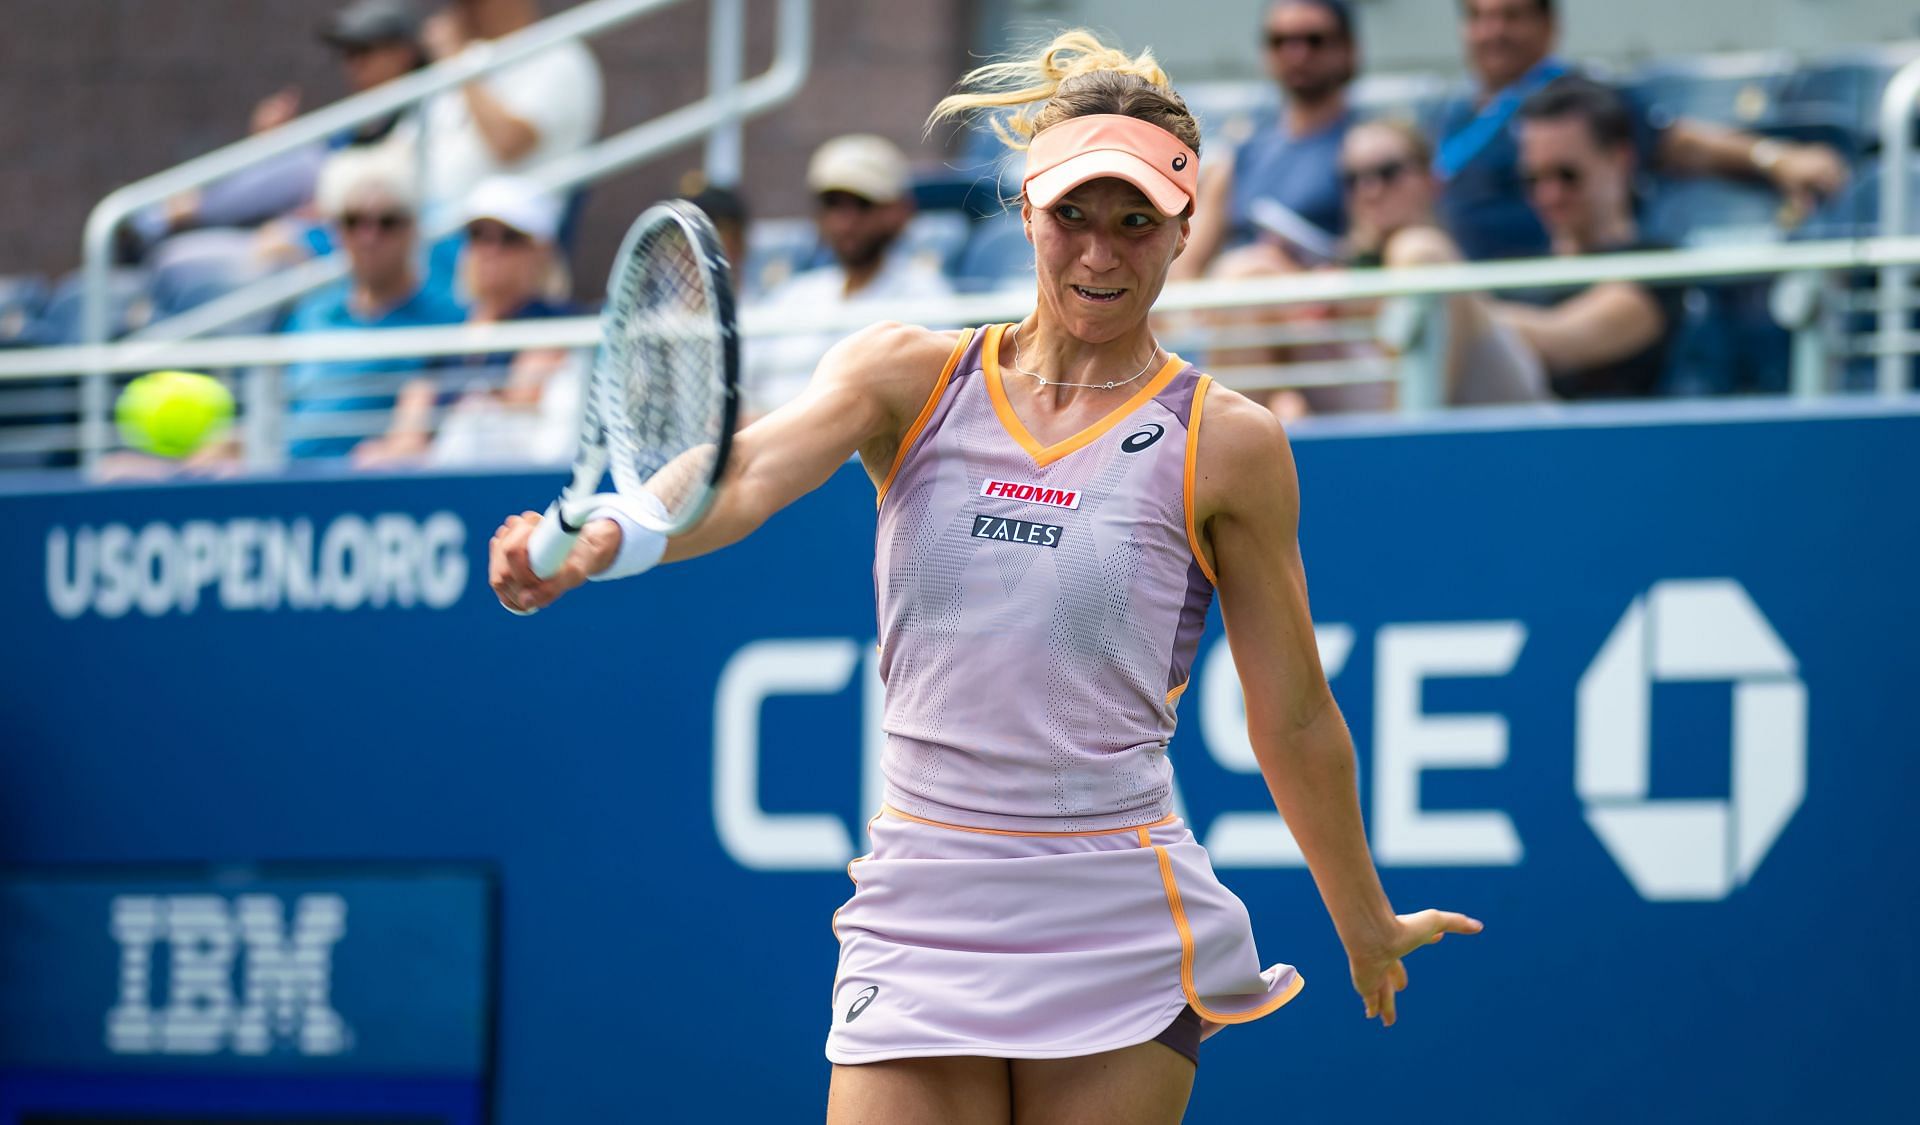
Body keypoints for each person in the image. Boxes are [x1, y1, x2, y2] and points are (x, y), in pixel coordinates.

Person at [487, 31, 1480, 1123]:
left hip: (1115, 909)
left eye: (1136, 221)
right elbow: (747, 471)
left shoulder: (1228, 442)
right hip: (922, 901)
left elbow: (1293, 716)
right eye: (1074, 217)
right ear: (1026, 213)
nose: (1100, 254)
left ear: (1184, 231)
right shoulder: (907, 376)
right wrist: (622, 529)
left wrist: (1364, 918)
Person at [1435, 0, 1848, 261]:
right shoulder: (1454, 113)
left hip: (1550, 285)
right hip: (1461, 286)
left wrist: (1776, 159)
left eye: (1511, 16)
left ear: (1548, 26)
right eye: (1477, 17)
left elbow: (1674, 143)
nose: (1493, 33)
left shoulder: (1574, 95)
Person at [1421, 76, 1686, 401]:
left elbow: (1563, 339)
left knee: (1424, 252)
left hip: (1598, 442)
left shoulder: (1658, 265)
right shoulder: (1513, 271)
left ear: (1620, 160)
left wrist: (1458, 315)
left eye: (1567, 175)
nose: (1549, 195)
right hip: (1503, 439)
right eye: (1533, 179)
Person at [132, 0, 427, 250]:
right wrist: (271, 146)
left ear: (403, 53)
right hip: (297, 230)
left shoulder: (431, 108)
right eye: (348, 55)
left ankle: (167, 216)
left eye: (364, 52)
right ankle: (163, 218)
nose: (353, 66)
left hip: (336, 237)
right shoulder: (360, 119)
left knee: (306, 165)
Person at [356, 174, 583, 466]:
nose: (490, 250)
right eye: (478, 235)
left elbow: (522, 403)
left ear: (541, 251)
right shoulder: (447, 338)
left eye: (508, 238)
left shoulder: (558, 326)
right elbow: (407, 431)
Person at [742, 134, 953, 418]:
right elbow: (744, 387)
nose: (845, 221)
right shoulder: (793, 295)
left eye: (862, 204)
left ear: (900, 212)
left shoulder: (927, 296)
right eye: (832, 204)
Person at [278, 148, 463, 460]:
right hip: (283, 485)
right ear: (337, 232)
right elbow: (277, 407)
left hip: (370, 490)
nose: (369, 237)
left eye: (386, 222)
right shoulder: (311, 312)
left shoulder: (448, 317)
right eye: (354, 222)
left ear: (413, 229)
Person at [1175, 0, 1358, 280]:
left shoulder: (1372, 149)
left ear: (1347, 49)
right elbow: (1185, 265)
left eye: (1314, 40)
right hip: (1243, 310)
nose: (1296, 53)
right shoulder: (1240, 156)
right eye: (1280, 41)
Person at [417, 0, 604, 216]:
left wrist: (458, 62)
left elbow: (509, 143)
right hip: (433, 219)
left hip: (501, 234)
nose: (460, 12)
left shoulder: (559, 56)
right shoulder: (470, 57)